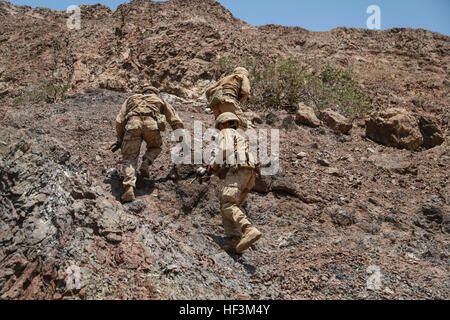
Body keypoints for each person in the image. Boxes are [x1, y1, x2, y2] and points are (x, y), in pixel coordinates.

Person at [204, 112, 262, 254]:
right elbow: (229, 157)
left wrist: (213, 166)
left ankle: (249, 229)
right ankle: (236, 241)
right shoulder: (240, 137)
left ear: (224, 124)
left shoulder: (226, 131)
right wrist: (214, 170)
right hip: (249, 172)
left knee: (227, 204)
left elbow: (225, 149)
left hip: (239, 170)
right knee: (228, 207)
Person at [115, 85, 184, 202]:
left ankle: (129, 189)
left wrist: (120, 140)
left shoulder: (131, 99)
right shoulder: (160, 100)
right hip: (151, 126)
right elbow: (175, 120)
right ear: (155, 93)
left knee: (130, 158)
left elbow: (119, 121)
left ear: (143, 93)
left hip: (132, 125)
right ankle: (146, 162)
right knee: (155, 147)